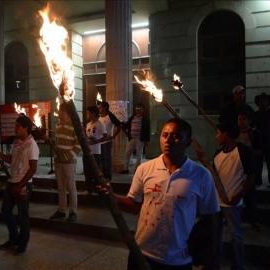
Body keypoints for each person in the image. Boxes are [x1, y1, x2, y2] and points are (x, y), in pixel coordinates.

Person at [98, 118, 220, 270]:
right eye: (165, 135)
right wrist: (111, 197)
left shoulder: (201, 175)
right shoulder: (145, 169)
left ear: (188, 142)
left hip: (177, 261)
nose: (168, 140)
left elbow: (212, 218)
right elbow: (135, 206)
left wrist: (212, 257)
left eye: (176, 136)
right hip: (141, 254)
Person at [0, 115, 39, 254]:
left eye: (17, 127)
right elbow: (12, 160)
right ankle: (14, 238)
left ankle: (22, 244)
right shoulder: (17, 142)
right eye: (15, 126)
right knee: (6, 211)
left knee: (23, 215)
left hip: (23, 185)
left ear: (26, 128)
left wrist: (21, 184)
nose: (15, 129)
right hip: (12, 181)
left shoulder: (32, 145)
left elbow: (33, 168)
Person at [213, 123, 255, 270]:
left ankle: (238, 265)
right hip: (217, 203)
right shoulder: (218, 154)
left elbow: (251, 176)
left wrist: (239, 195)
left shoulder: (242, 151)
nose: (216, 136)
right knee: (215, 235)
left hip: (233, 203)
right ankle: (214, 263)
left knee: (235, 236)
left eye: (218, 133)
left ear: (226, 134)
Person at [49, 103, 82, 222]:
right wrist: (53, 143)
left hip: (69, 162)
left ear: (67, 112)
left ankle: (73, 211)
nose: (59, 113)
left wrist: (68, 156)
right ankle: (62, 210)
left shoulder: (75, 126)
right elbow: (58, 142)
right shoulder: (57, 124)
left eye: (61, 111)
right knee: (61, 187)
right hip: (58, 160)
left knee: (71, 187)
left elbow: (78, 145)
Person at [83, 106, 107, 192]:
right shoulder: (88, 124)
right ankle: (88, 188)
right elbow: (87, 136)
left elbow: (105, 137)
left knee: (95, 172)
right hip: (87, 151)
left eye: (88, 113)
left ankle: (98, 188)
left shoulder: (100, 124)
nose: (87, 115)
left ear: (93, 114)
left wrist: (96, 141)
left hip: (96, 152)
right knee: (87, 171)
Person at [121, 103, 150, 174]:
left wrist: (146, 140)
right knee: (127, 153)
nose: (138, 111)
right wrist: (123, 125)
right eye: (137, 109)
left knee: (139, 155)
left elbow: (147, 130)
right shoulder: (132, 117)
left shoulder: (145, 119)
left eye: (140, 109)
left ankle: (137, 170)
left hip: (140, 139)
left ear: (143, 110)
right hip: (132, 138)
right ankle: (126, 169)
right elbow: (126, 125)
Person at [98, 101, 121, 181]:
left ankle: (107, 176)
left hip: (106, 142)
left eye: (100, 107)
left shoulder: (110, 116)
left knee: (106, 158)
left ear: (105, 108)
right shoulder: (98, 116)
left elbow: (119, 125)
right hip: (98, 141)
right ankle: (102, 175)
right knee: (100, 159)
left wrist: (113, 136)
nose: (99, 108)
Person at [253, 92, 270, 185]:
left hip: (269, 142)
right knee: (257, 163)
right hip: (258, 143)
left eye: (265, 100)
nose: (262, 102)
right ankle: (257, 181)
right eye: (261, 100)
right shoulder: (255, 115)